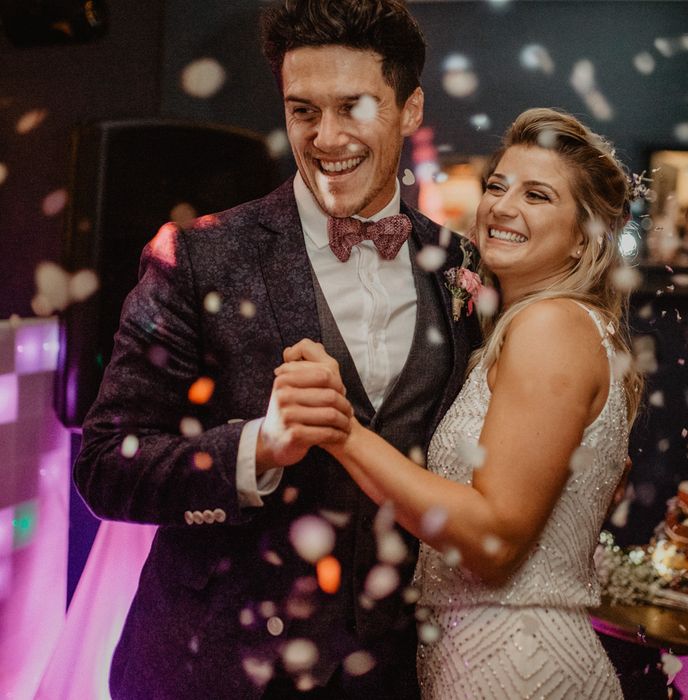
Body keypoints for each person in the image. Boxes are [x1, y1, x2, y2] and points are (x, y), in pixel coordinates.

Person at [73, 1, 480, 697]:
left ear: (409, 109)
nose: (326, 138)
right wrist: (258, 447)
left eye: (352, 107)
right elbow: (107, 466)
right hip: (214, 665)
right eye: (303, 111)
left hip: (390, 671)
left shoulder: (457, 266)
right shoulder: (197, 256)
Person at [279, 108, 644, 698]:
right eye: (497, 185)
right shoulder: (537, 325)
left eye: (538, 195)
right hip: (477, 660)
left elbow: (495, 541)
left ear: (585, 237)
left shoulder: (551, 326)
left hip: (518, 671)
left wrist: (343, 431)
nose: (502, 206)